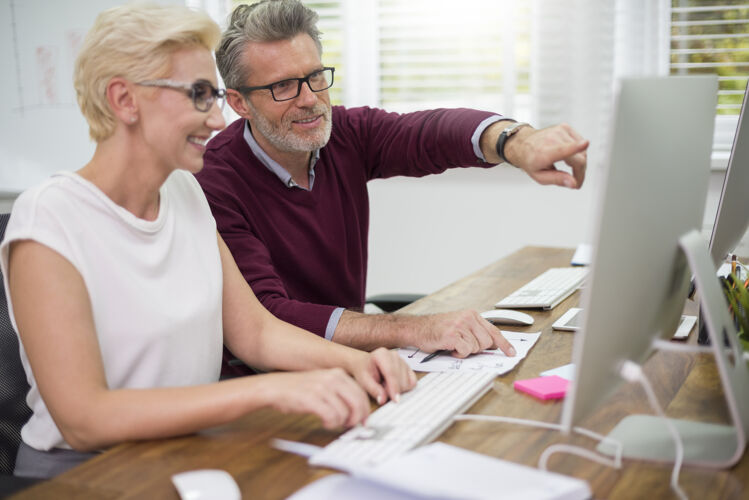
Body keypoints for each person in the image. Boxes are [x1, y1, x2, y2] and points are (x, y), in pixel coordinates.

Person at [0, 3, 415, 479]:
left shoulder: (184, 192)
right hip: (90, 475)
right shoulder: (51, 217)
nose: (219, 120)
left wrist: (358, 365)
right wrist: (267, 392)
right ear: (124, 99)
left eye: (216, 95)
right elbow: (85, 419)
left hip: (189, 456)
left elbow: (256, 333)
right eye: (199, 95)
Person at [197, 0, 589, 376]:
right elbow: (268, 316)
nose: (311, 100)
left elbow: (429, 134)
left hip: (356, 371)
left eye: (315, 76)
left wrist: (516, 143)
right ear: (239, 102)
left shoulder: (344, 135)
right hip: (265, 389)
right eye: (284, 86)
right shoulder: (214, 182)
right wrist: (410, 327)